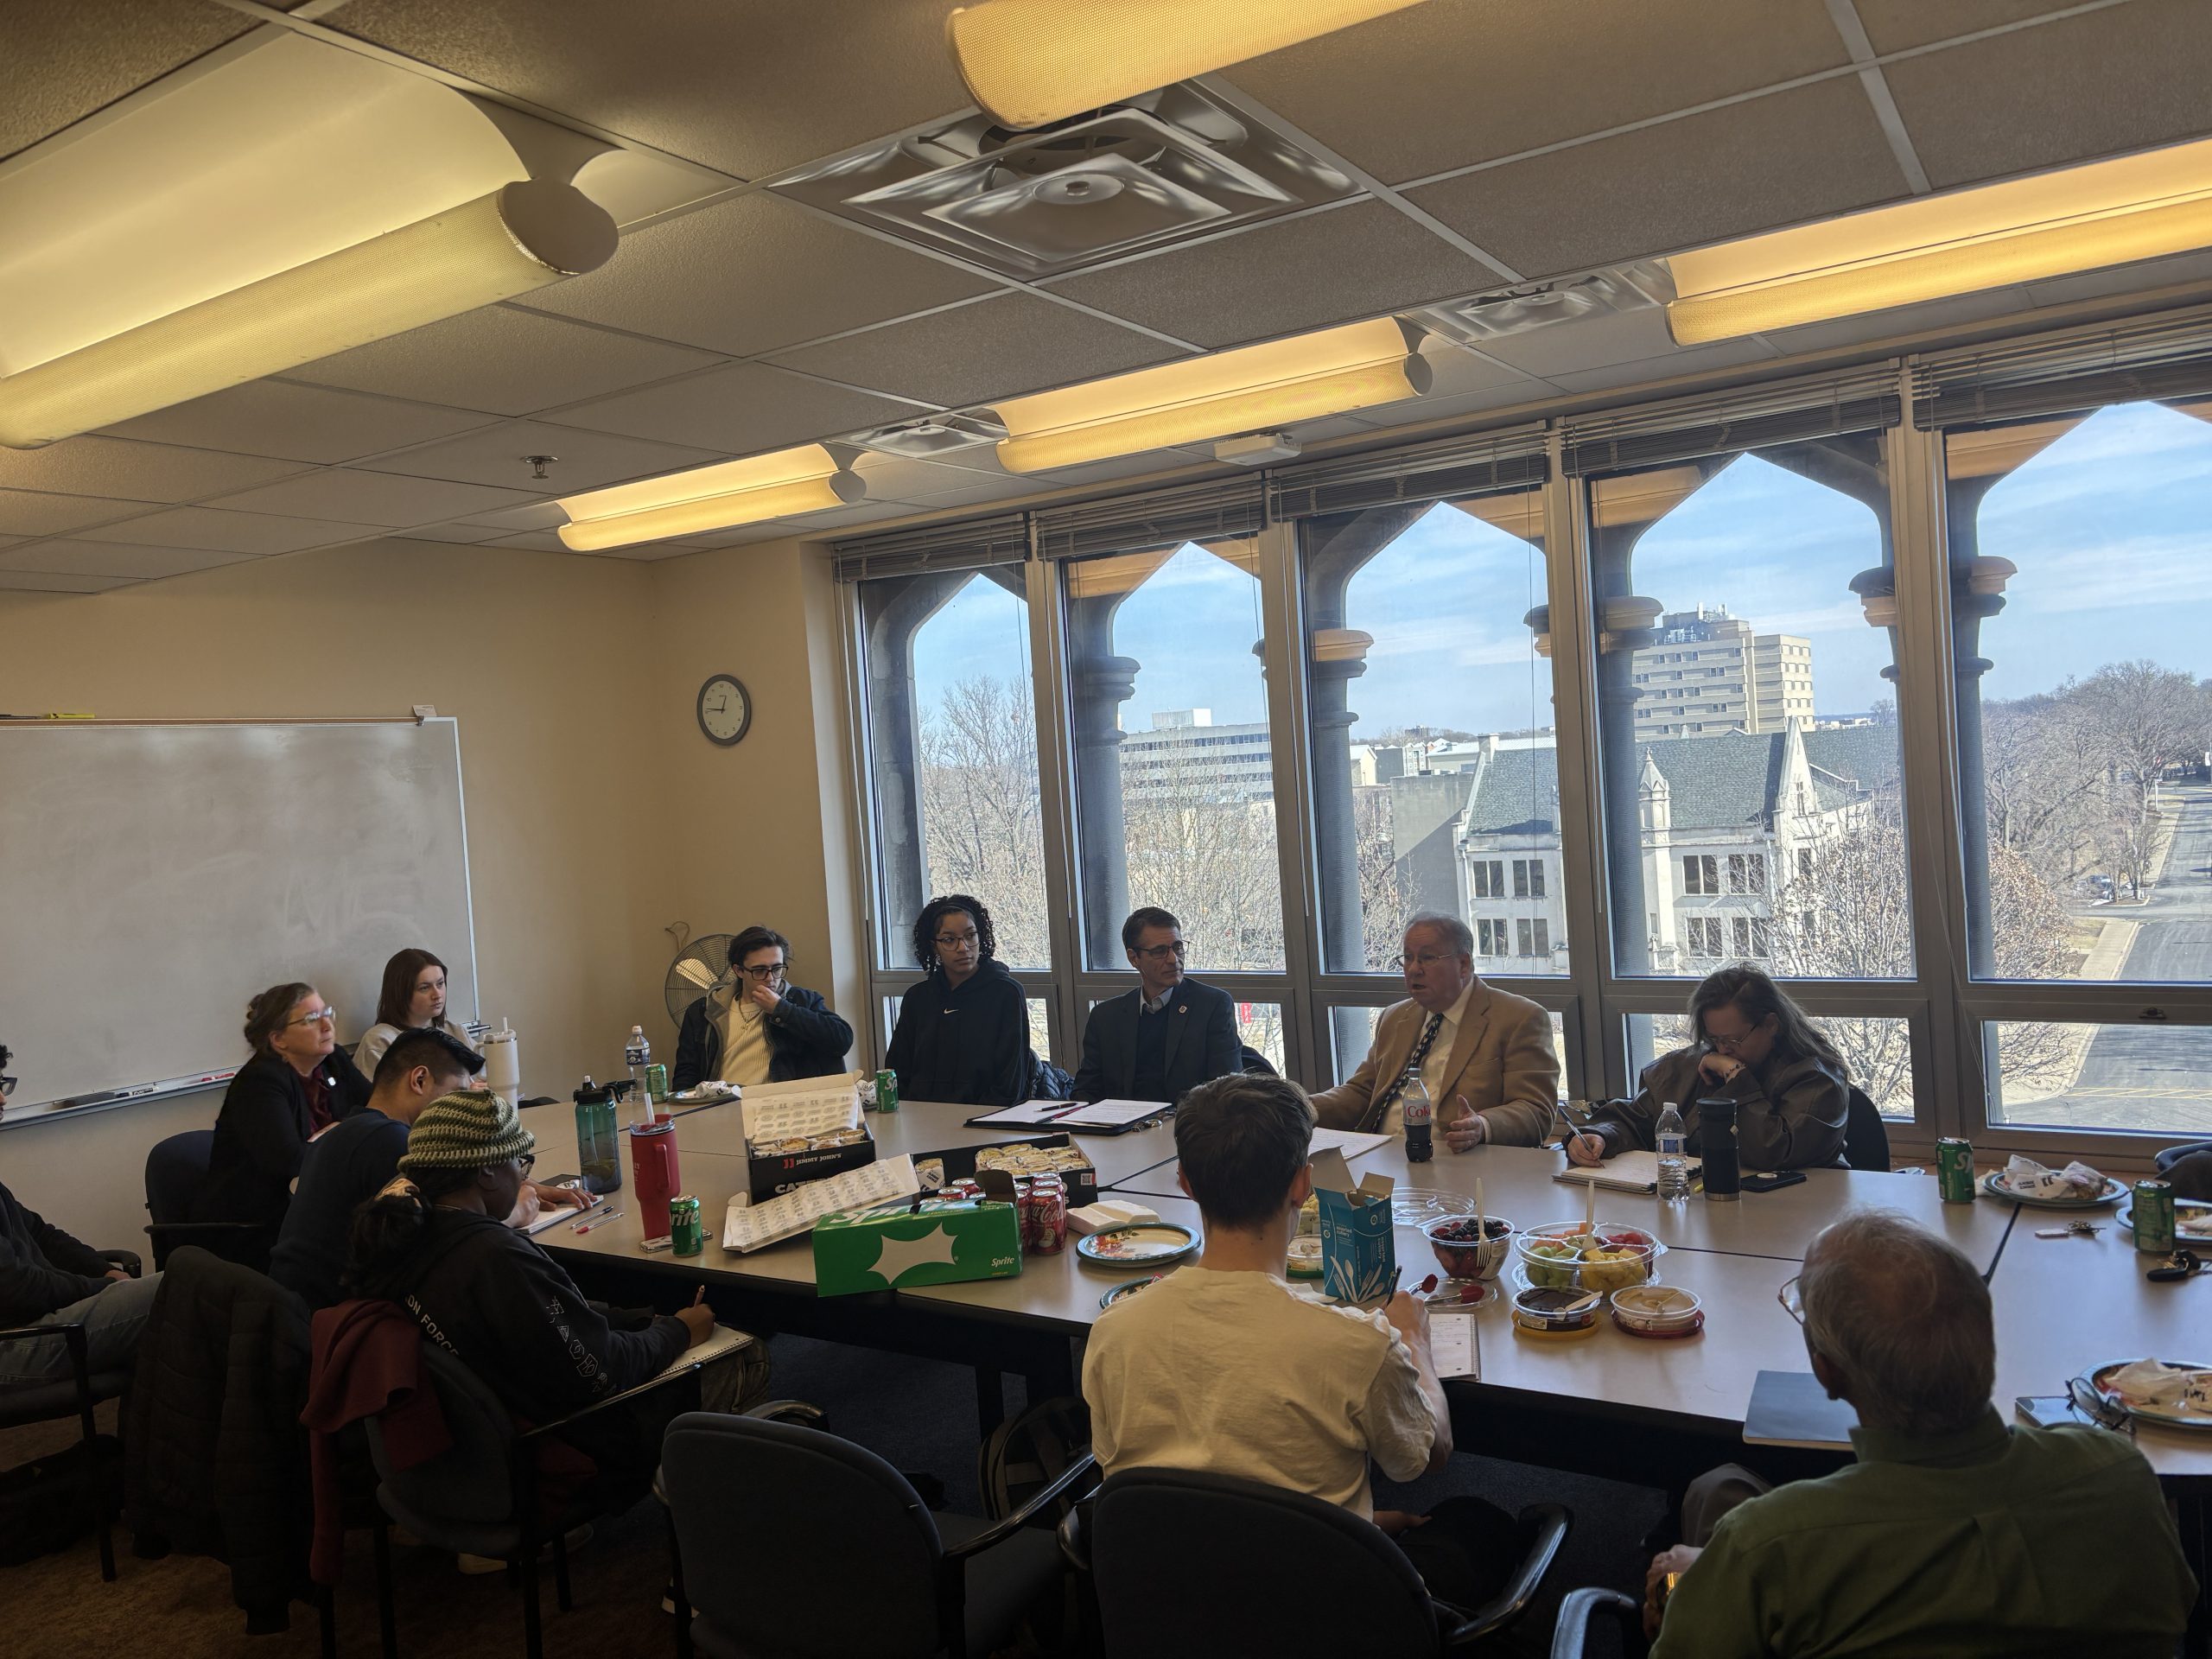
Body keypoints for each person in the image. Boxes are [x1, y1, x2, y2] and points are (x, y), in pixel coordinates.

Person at [1644, 1211, 2196, 1657]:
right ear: (1986, 1335)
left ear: (1825, 1370)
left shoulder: (1765, 1547)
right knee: (1722, 1489)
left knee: (1707, 1515)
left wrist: (1687, 1589)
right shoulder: (2120, 1476)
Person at [1083, 1072, 1521, 1608]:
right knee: (1477, 1521)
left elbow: (1183, 1483)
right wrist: (1413, 1339)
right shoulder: (1359, 1344)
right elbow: (1429, 1453)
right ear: (1303, 1185)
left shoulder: (1114, 1332)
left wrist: (1350, 1520)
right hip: (1324, 1611)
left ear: (1185, 1183)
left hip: (1170, 1605)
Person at [341, 1090, 739, 1507]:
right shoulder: (496, 1258)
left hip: (472, 1456)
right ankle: (703, 1522)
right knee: (742, 1359)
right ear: (486, 1172)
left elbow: (550, 1323)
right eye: (520, 1162)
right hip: (563, 1447)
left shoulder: (405, 1240)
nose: (523, 1176)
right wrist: (678, 1331)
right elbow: (603, 1371)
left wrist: (640, 1321)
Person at [270, 1029, 588, 1309]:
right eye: (458, 1094)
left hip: (306, 1314)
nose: (461, 1109)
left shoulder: (354, 1131)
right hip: (340, 1324)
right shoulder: (392, 1141)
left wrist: (517, 1179)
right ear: (419, 1080)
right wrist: (515, 1212)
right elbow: (446, 1246)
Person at [1568, 963, 1849, 1173]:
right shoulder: (1689, 1065)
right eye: (1714, 1039)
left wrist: (1737, 1078)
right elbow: (1636, 1120)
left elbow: (1771, 1152)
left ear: (1771, 1025)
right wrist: (1600, 1135)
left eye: (1734, 1040)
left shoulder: (1817, 1079)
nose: (1723, 1050)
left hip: (1799, 1210)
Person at [1309, 912, 1558, 1148]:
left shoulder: (1519, 1018)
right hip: (1381, 1154)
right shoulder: (1394, 1017)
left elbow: (1536, 1110)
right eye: (1408, 957)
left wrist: (1482, 1126)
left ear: (1463, 964)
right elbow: (1363, 1092)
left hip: (1458, 1159)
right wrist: (1303, 1107)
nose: (1413, 969)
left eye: (1427, 958)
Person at [195, 982, 372, 1226]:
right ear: (279, 1040)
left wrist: (338, 1131)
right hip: (259, 1221)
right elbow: (291, 1163)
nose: (327, 1025)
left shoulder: (334, 1059)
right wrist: (346, 1134)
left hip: (319, 1201)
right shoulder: (259, 1082)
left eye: (327, 1013)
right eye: (311, 1019)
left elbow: (378, 1109)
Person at [0, 1135, 162, 1385]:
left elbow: (42, 1234)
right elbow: (17, 1287)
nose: (2, 1110)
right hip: (14, 1341)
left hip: (34, 1322)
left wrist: (106, 1271)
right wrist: (105, 1287)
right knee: (179, 1286)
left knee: (186, 1284)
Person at [884, 894, 1042, 1108]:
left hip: (985, 1117)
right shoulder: (917, 998)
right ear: (934, 946)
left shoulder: (1006, 993)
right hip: (919, 1115)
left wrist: (975, 1119)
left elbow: (1010, 1083)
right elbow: (897, 1071)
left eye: (970, 936)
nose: (963, 947)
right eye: (949, 940)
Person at [1071, 907, 1239, 1104]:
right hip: (1121, 1121)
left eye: (1177, 947)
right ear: (1134, 958)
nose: (1173, 959)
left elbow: (1225, 1091)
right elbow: (1085, 1092)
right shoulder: (1105, 1017)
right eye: (1160, 951)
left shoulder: (1212, 1006)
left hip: (1186, 1121)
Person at [671, 925, 854, 1091]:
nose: (770, 978)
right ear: (739, 971)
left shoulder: (802, 1000)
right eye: (759, 970)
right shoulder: (704, 1011)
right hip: (722, 1103)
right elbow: (686, 1074)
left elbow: (842, 1039)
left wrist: (782, 1010)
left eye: (777, 968)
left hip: (781, 1102)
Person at [353, 948, 475, 1079]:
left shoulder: (456, 1032)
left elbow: (487, 1076)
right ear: (400, 993)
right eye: (424, 988)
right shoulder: (379, 1042)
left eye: (440, 984)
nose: (437, 995)